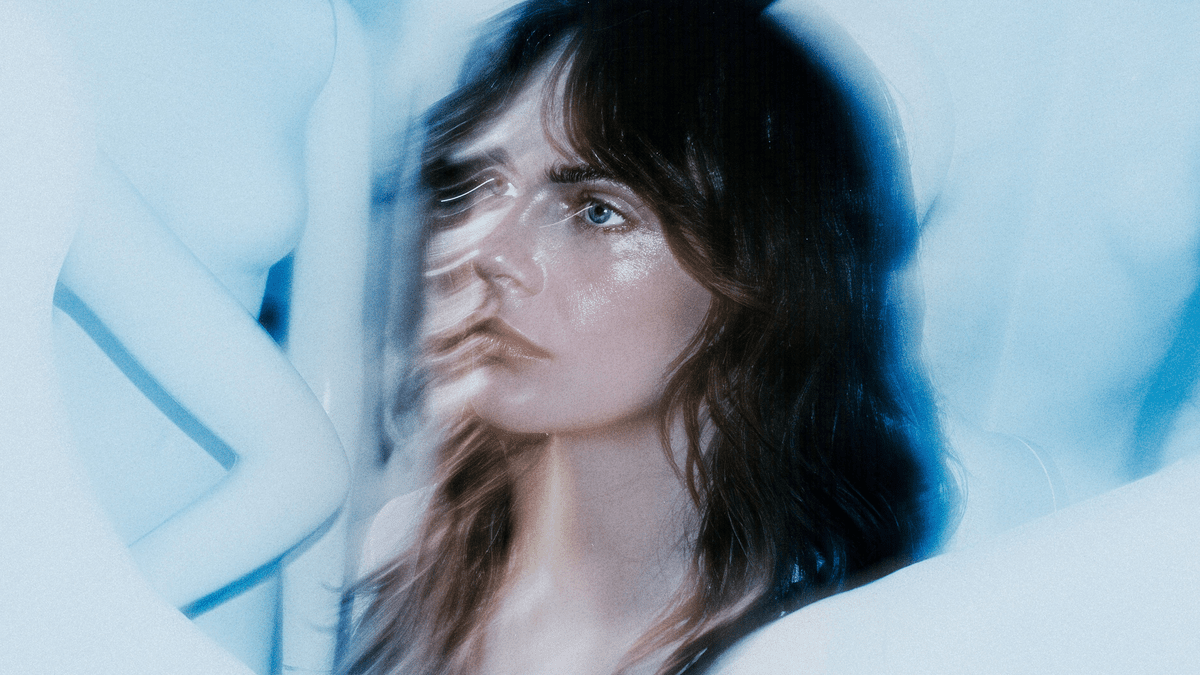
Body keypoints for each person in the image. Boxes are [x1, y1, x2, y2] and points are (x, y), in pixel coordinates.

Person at [341, 1, 956, 673]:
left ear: (765, 276)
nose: (485, 251)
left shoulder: (834, 649)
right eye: (480, 187)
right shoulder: (397, 562)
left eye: (596, 211)